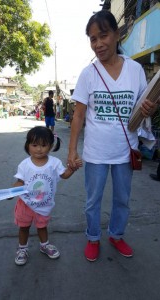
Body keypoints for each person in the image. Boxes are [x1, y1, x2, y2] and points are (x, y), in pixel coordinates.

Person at [67, 10, 159, 262]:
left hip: (125, 149)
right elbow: (78, 115)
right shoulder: (89, 74)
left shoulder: (135, 70)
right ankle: (93, 237)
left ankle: (116, 235)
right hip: (96, 152)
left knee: (122, 199)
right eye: (92, 39)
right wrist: (72, 150)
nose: (98, 44)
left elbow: (144, 104)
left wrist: (150, 107)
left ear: (117, 35)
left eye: (103, 36)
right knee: (93, 200)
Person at [11, 126, 82, 266]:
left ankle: (44, 245)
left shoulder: (54, 163)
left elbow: (65, 175)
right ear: (28, 145)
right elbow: (20, 181)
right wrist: (11, 192)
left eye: (43, 145)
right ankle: (22, 249)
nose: (39, 149)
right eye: (34, 145)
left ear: (50, 146)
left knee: (42, 227)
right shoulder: (24, 165)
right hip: (25, 204)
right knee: (23, 228)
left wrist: (72, 169)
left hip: (44, 204)